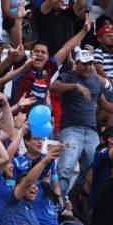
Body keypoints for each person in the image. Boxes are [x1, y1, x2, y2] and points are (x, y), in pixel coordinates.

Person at [49, 49, 113, 196]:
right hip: (71, 130)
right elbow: (53, 87)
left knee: (94, 172)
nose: (88, 67)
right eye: (84, 64)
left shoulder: (95, 80)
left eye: (91, 64)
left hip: (91, 132)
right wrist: (75, 86)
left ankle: (72, 198)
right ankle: (56, 207)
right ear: (77, 63)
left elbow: (102, 103)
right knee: (65, 170)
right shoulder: (68, 76)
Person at [0, 143, 64, 225]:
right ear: (17, 187)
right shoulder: (11, 200)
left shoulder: (31, 211)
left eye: (35, 185)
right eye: (30, 186)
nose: (34, 187)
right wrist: (45, 160)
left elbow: (39, 177)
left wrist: (51, 157)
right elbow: (28, 182)